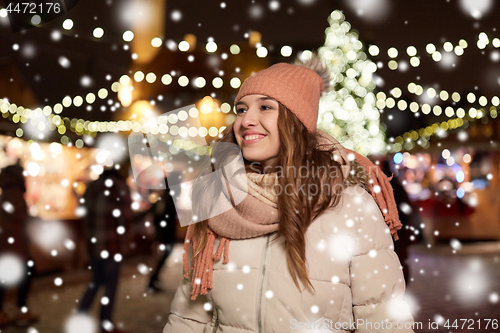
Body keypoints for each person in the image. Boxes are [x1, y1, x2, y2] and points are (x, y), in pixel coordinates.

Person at [164, 57, 415, 332]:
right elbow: (188, 319)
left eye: (265, 107)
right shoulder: (217, 198)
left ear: (296, 120)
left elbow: (382, 317)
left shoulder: (350, 205)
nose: (246, 120)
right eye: (241, 109)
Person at [78, 164, 133, 333]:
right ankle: (105, 322)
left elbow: (83, 213)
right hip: (112, 243)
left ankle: (81, 317)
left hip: (94, 243)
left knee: (96, 280)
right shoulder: (120, 188)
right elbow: (126, 217)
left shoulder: (91, 187)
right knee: (110, 285)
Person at [0, 161, 39, 328]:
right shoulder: (14, 193)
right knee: (26, 273)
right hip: (14, 243)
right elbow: (18, 217)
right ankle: (18, 310)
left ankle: (12, 311)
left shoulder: (7, 192)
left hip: (9, 243)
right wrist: (32, 220)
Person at [146, 173, 180, 292]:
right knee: (162, 256)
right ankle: (152, 280)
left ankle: (154, 279)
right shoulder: (167, 197)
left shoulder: (165, 197)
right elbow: (158, 215)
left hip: (164, 233)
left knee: (162, 256)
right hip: (165, 233)